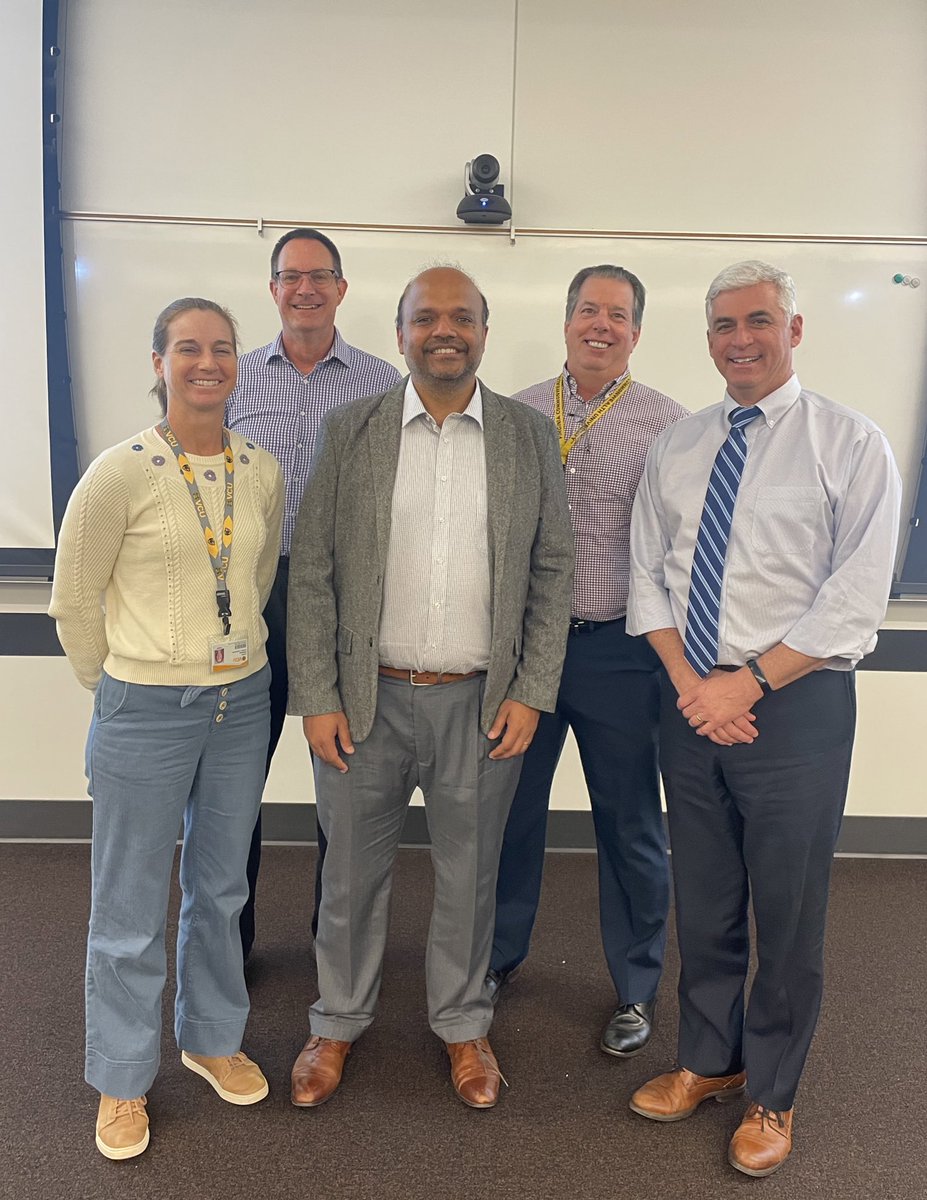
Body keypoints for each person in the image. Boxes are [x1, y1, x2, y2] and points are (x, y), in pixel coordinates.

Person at [626, 261, 901, 1177]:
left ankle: (773, 1094)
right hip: (690, 702)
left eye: (757, 321)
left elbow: (855, 596)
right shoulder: (678, 443)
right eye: (721, 325)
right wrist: (689, 685)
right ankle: (711, 1059)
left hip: (793, 705)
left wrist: (743, 685)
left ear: (793, 329)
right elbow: (650, 574)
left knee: (785, 911)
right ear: (705, 337)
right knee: (702, 903)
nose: (738, 339)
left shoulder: (848, 442)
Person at [286, 266, 574, 1110]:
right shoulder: (353, 429)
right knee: (348, 878)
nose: (442, 331)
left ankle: (461, 1023)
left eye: (460, 318)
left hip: (484, 706)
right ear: (401, 330)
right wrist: (317, 695)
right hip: (363, 702)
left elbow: (552, 569)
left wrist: (532, 688)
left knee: (469, 874)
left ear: (484, 330)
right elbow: (314, 574)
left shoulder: (525, 436)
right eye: (424, 318)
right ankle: (335, 1022)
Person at [50, 298, 284, 1160]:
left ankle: (211, 1036)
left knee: (220, 891)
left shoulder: (259, 469)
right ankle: (120, 1079)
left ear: (237, 365)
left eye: (221, 349)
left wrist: (218, 666)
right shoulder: (120, 472)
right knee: (127, 908)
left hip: (239, 703)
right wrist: (122, 688)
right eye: (188, 348)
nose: (207, 363)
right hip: (143, 710)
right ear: (158, 362)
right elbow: (74, 601)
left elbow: (254, 578)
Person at [489, 266, 687, 1058]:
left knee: (631, 825)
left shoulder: (669, 424)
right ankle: (494, 963)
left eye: (617, 315)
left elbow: (679, 549)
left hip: (621, 654)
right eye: (586, 311)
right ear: (565, 321)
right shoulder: (518, 411)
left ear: (636, 332)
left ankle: (636, 988)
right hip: (525, 654)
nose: (599, 325)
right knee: (509, 818)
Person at [226, 228, 402, 960]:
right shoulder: (231, 376)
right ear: (272, 288)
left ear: (341, 288)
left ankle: (337, 947)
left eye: (320, 275)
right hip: (250, 596)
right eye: (290, 275)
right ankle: (227, 947)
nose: (305, 287)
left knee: (347, 785)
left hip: (345, 597)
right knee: (235, 781)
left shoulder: (381, 382)